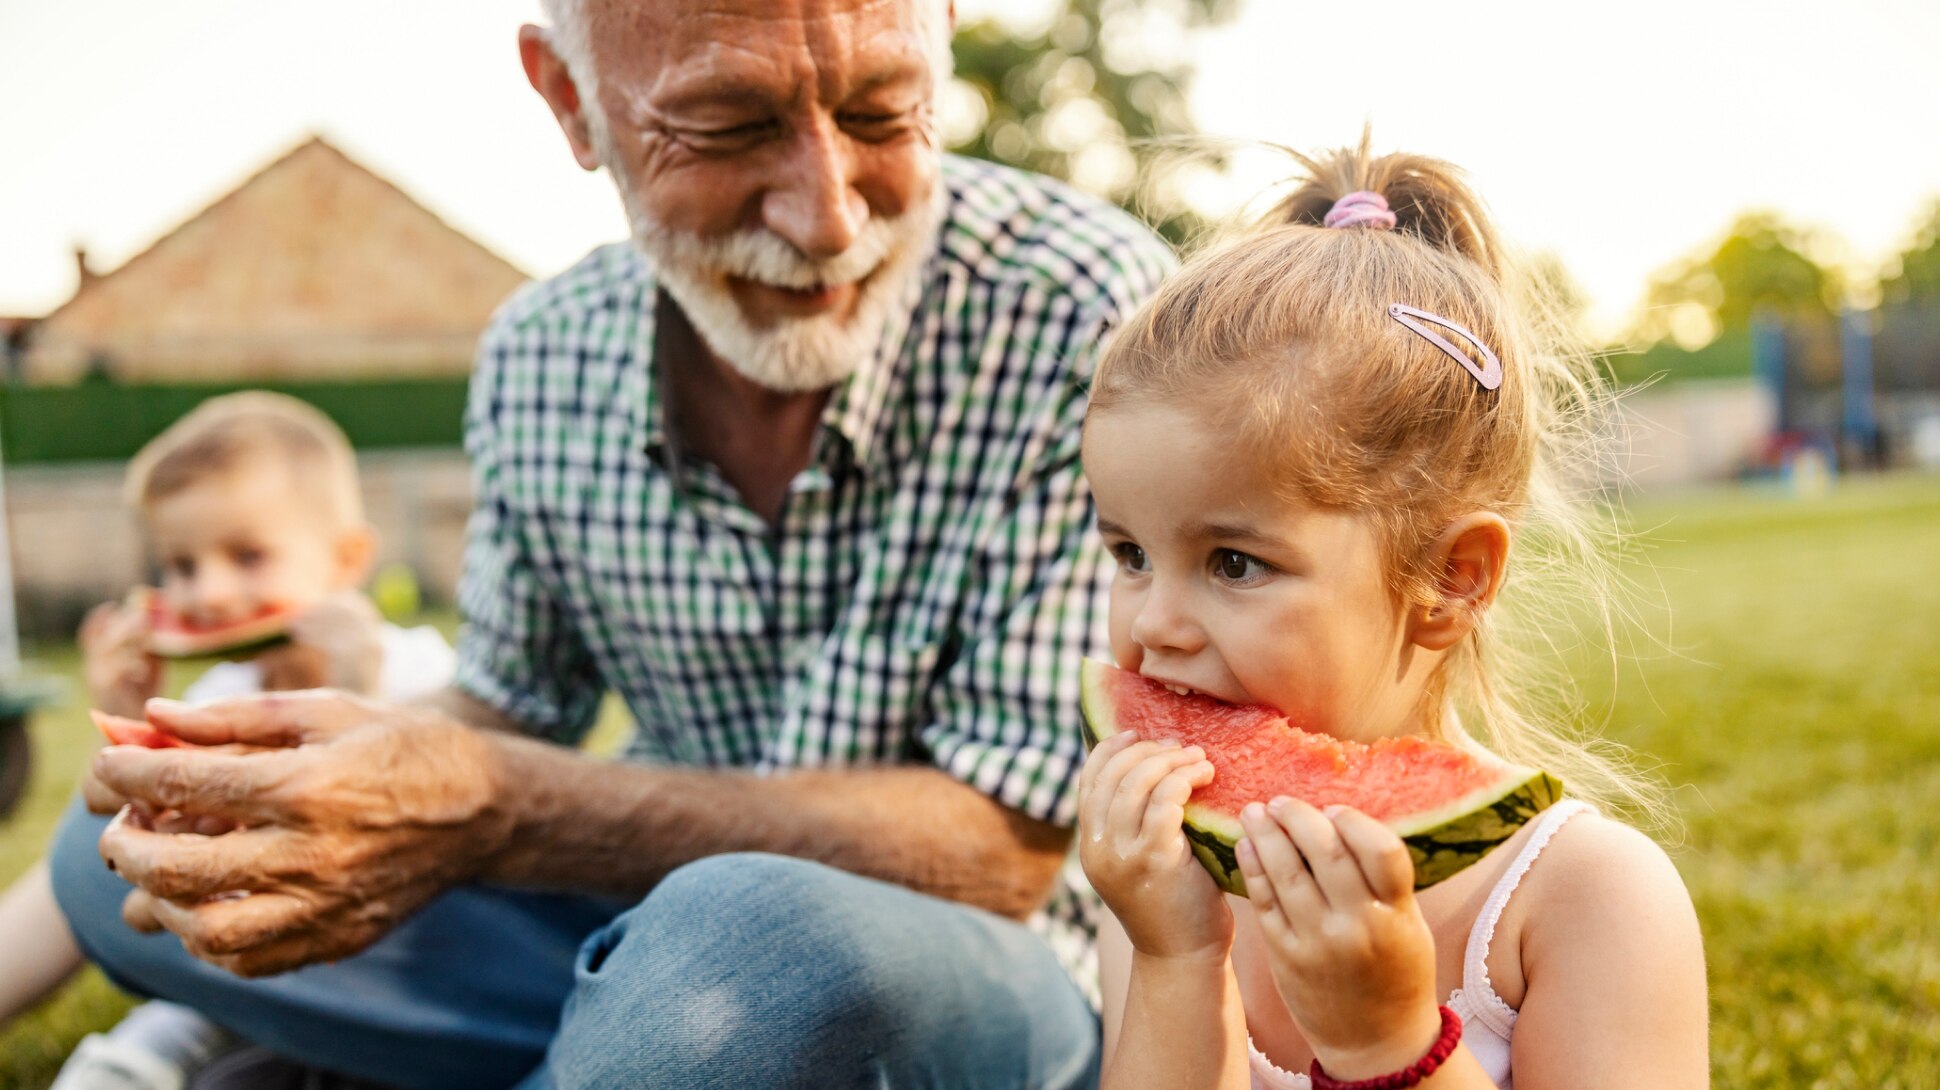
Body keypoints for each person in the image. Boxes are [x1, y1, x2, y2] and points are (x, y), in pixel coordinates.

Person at [45, 1, 1174, 1087]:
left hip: (978, 972)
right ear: (569, 101)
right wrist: (310, 775)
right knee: (112, 854)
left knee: (752, 960)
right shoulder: (540, 352)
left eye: (884, 111)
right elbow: (507, 707)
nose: (828, 214)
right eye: (729, 127)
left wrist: (495, 801)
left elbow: (1003, 848)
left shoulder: (1081, 309)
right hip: (633, 937)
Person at [1074, 137, 1709, 1090]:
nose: (1153, 625)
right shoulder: (1165, 884)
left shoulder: (1587, 898)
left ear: (1451, 579)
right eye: (1129, 554)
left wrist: (1391, 1045)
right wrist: (1174, 963)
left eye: (1234, 562)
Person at [0, 392, 456, 1090]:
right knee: (146, 1043)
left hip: (390, 962)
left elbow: (449, 789)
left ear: (346, 559)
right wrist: (126, 718)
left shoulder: (419, 667)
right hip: (235, 962)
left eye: (247, 556)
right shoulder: (214, 699)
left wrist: (360, 686)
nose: (208, 594)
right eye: (179, 567)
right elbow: (129, 840)